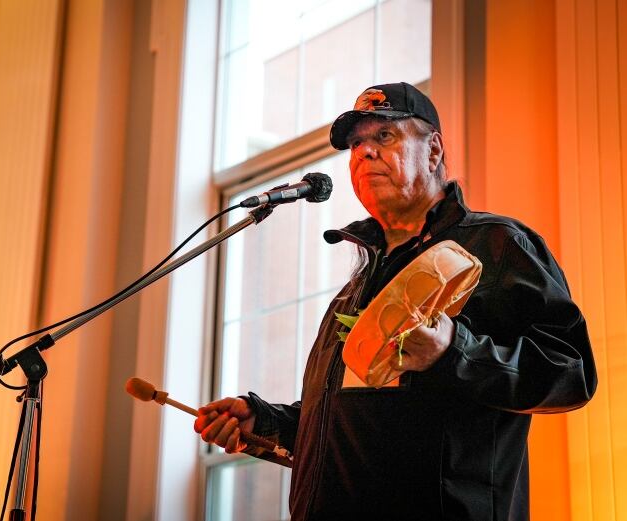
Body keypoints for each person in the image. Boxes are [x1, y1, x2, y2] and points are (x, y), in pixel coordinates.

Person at [194, 82, 597, 520]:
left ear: (434, 151)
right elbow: (350, 425)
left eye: (384, 136)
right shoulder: (355, 288)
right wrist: (264, 420)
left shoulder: (497, 244)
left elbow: (570, 372)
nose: (365, 152)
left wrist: (453, 352)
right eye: (355, 144)